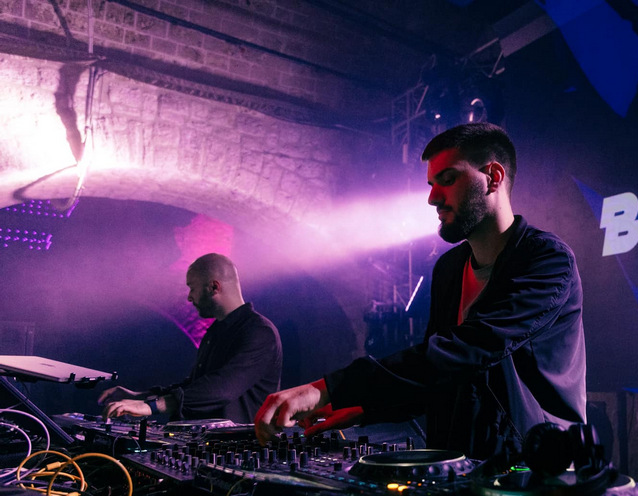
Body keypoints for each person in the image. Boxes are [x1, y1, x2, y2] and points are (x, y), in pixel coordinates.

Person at [255, 123, 586, 460]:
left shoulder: (547, 260)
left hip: (536, 466)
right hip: (461, 463)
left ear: (493, 177)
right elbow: (438, 374)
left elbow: (470, 348)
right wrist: (365, 408)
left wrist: (329, 389)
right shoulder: (449, 268)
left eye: (448, 179)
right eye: (431, 184)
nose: (432, 198)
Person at [99, 253, 282, 424]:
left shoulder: (260, 332)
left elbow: (221, 388)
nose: (189, 297)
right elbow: (194, 386)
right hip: (207, 443)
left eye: (192, 288)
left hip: (240, 447)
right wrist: (139, 397)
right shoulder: (216, 332)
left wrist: (151, 406)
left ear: (214, 287)